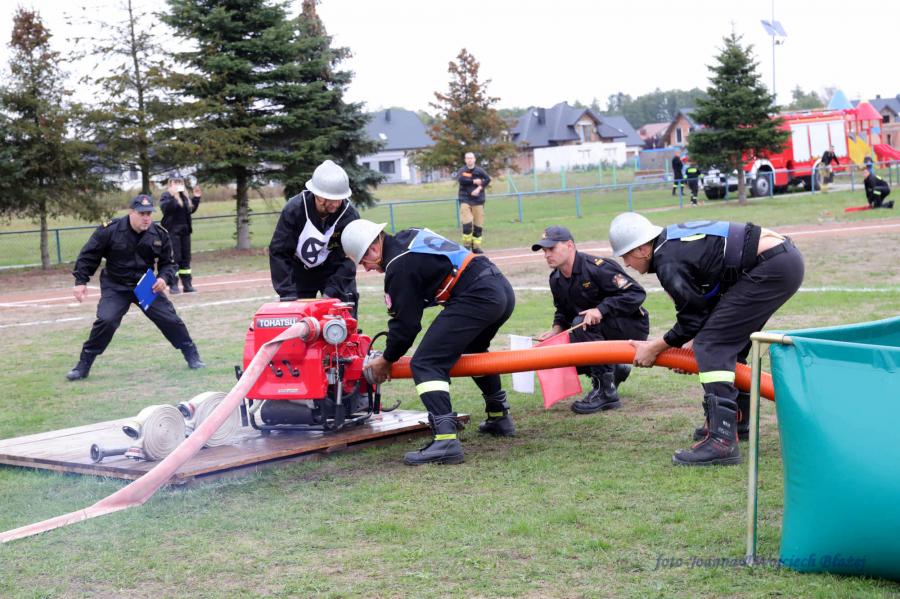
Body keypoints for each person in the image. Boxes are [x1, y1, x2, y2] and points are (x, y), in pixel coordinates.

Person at [609, 213, 804, 466]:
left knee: (712, 345)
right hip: (779, 261)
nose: (626, 264)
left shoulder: (668, 260)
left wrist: (655, 347)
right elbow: (703, 311)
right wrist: (690, 342)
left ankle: (722, 441)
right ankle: (736, 422)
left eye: (626, 255)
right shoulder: (672, 246)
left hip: (773, 266)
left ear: (643, 249)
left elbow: (692, 319)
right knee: (723, 342)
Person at [342, 219, 516, 466]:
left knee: (426, 363)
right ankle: (499, 416)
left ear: (373, 248)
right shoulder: (409, 236)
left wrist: (387, 359)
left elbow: (406, 327)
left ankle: (445, 441)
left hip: (477, 295)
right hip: (498, 286)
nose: (367, 269)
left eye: (363, 262)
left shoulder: (398, 265)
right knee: (474, 349)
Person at [66, 195, 206, 381]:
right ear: (131, 212)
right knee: (106, 321)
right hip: (116, 285)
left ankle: (191, 355)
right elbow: (88, 255)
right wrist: (80, 281)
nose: (146, 218)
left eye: (149, 214)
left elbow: (169, 263)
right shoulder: (110, 230)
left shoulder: (159, 233)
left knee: (170, 319)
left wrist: (163, 278)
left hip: (145, 285)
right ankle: (83, 365)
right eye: (142, 214)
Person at [532, 225, 649, 413]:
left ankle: (606, 393)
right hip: (596, 331)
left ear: (570, 245)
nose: (547, 255)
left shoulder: (597, 267)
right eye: (544, 250)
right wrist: (556, 331)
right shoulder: (556, 279)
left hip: (630, 326)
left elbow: (636, 293)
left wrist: (601, 310)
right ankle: (615, 369)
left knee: (581, 324)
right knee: (561, 351)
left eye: (551, 248)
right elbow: (563, 310)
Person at [269, 160, 360, 311]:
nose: (335, 203)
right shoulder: (294, 210)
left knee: (343, 314)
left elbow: (351, 257)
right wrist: (287, 293)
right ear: (316, 194)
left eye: (339, 199)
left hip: (334, 269)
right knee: (298, 317)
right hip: (300, 270)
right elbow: (279, 252)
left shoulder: (349, 216)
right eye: (329, 199)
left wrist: (333, 291)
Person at [159, 171, 202, 293]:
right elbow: (166, 209)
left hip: (185, 231)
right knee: (175, 258)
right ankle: (173, 285)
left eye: (180, 182)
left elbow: (190, 210)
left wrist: (196, 198)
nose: (178, 184)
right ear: (170, 183)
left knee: (185, 258)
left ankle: (187, 284)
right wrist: (174, 196)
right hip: (172, 232)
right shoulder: (166, 196)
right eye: (175, 182)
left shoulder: (185, 196)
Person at [457, 152, 491, 254]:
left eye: (471, 158)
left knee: (478, 225)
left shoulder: (480, 171)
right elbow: (461, 180)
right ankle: (466, 246)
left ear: (474, 159)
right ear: (465, 160)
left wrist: (479, 188)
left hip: (478, 200)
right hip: (465, 199)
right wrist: (474, 181)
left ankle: (476, 247)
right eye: (468, 158)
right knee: (467, 224)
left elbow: (487, 179)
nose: (470, 160)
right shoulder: (462, 171)